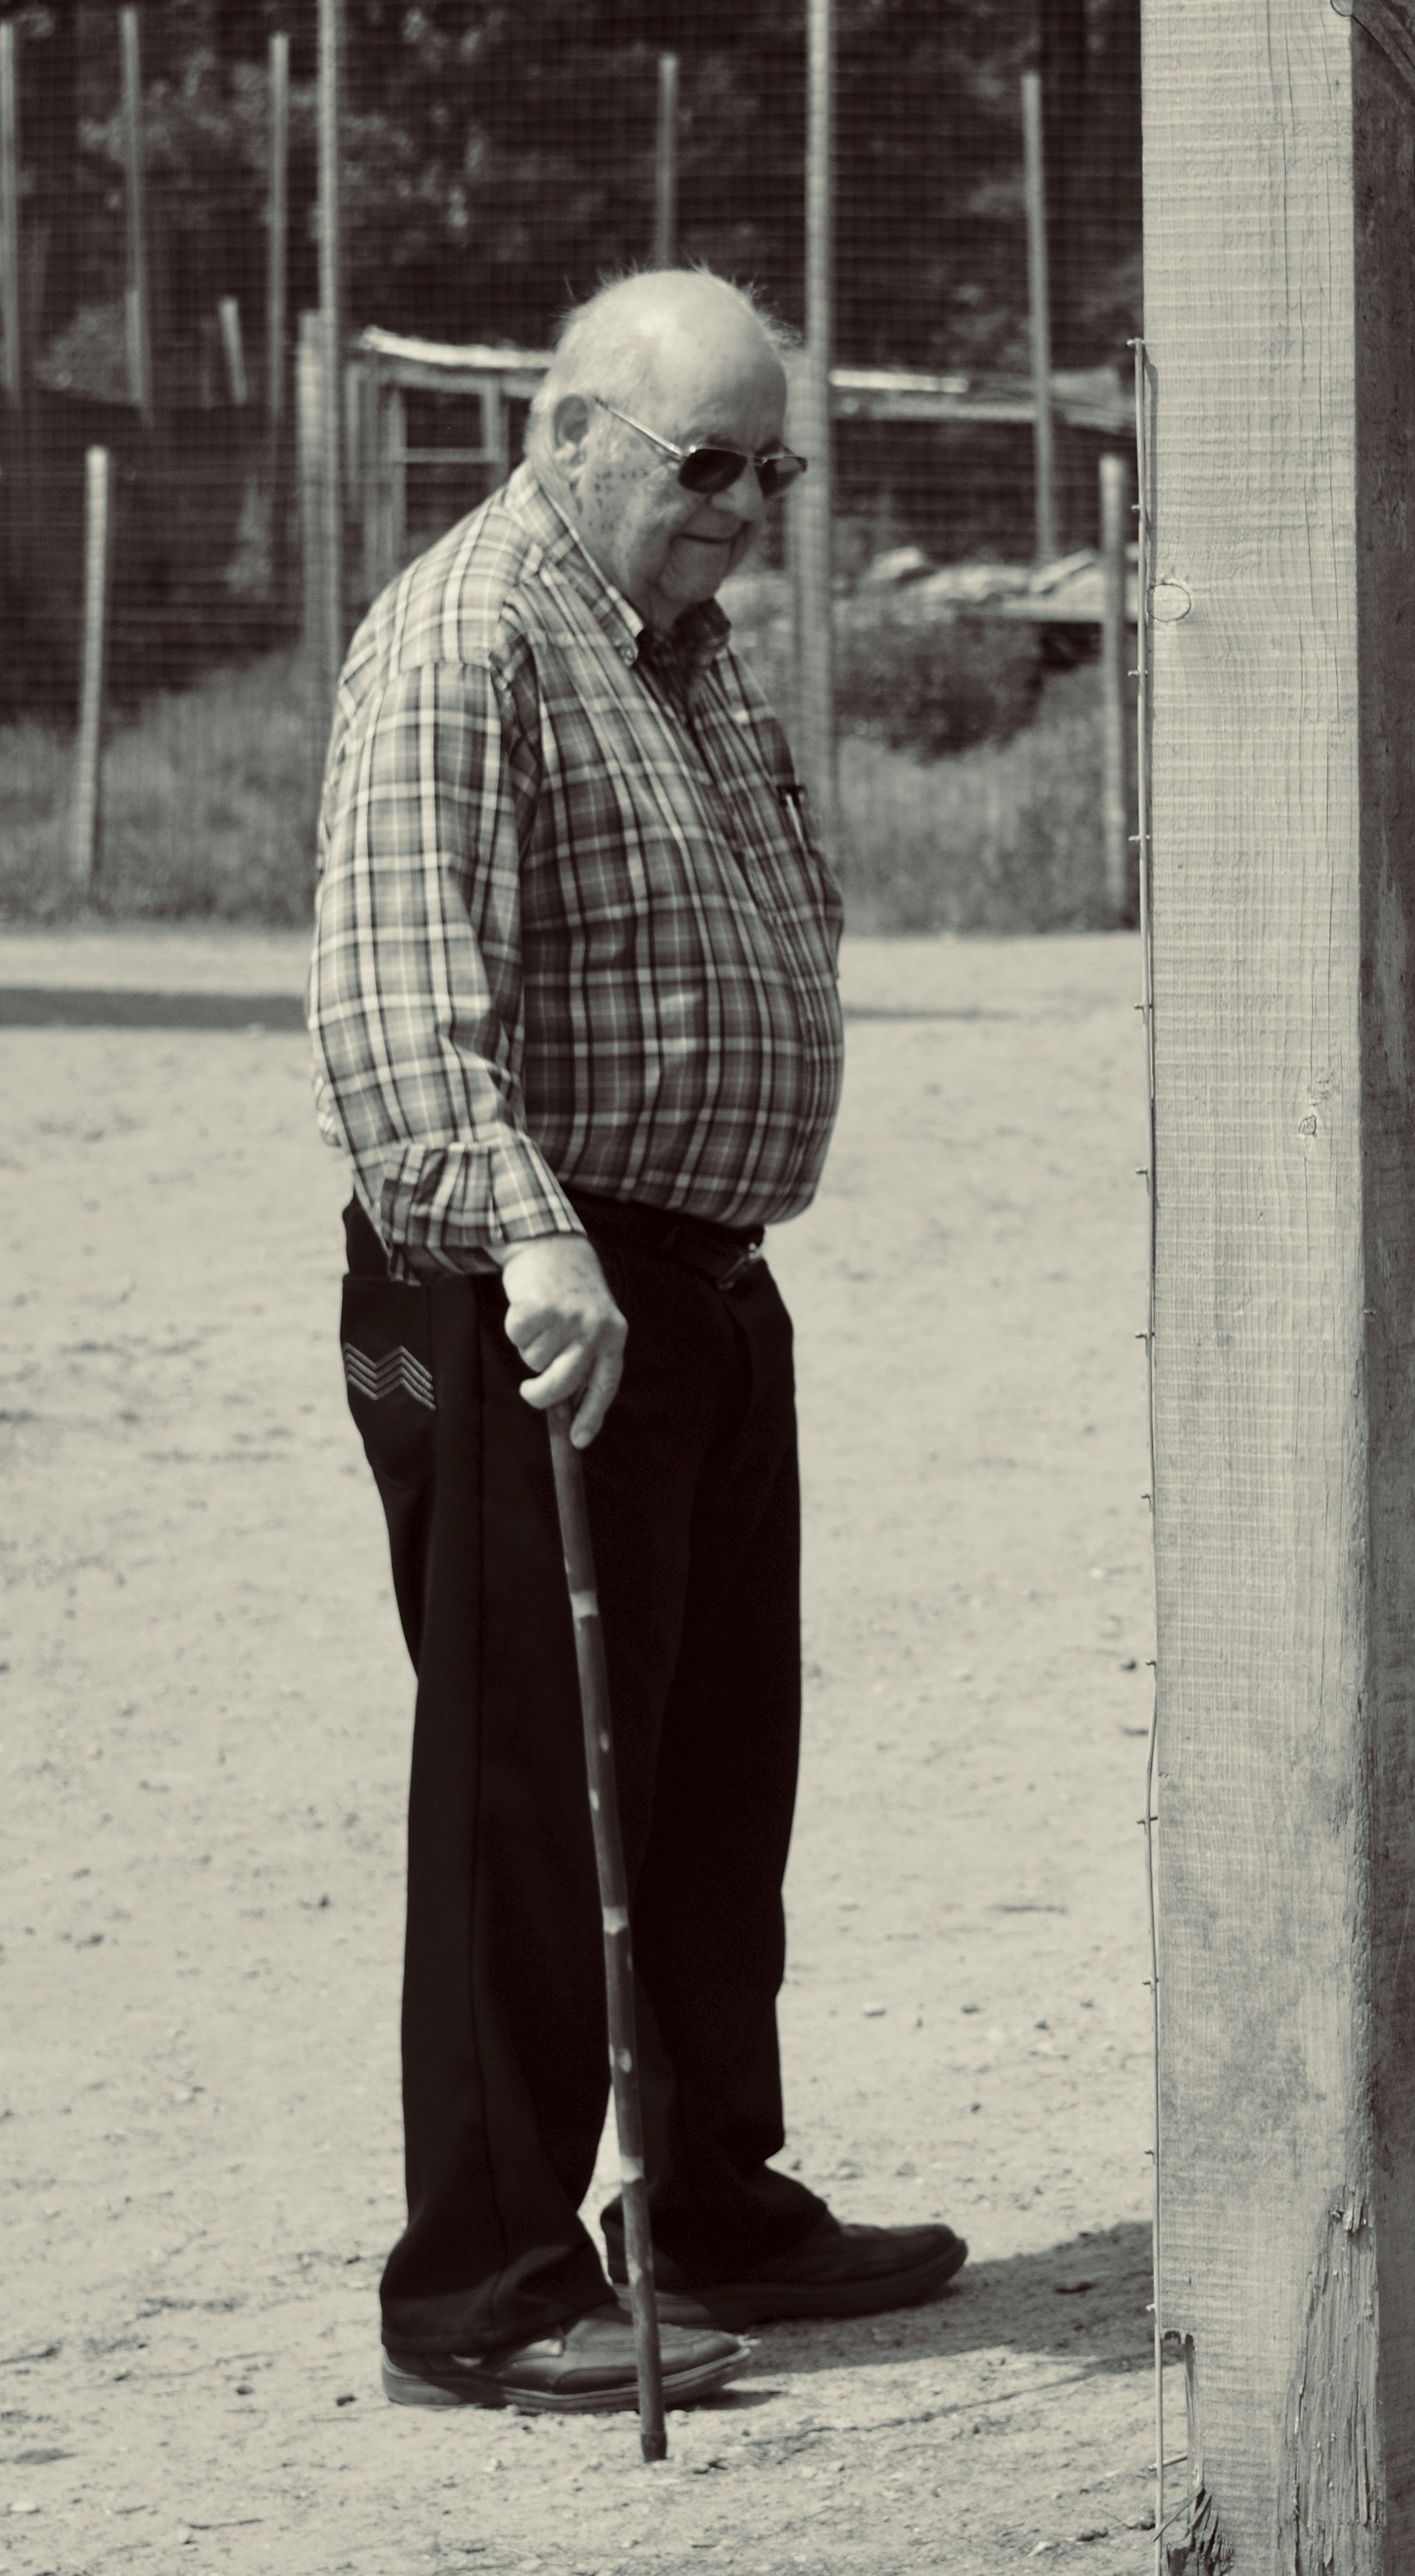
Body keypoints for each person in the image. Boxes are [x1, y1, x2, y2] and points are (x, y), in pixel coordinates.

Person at [308, 266, 963, 2414]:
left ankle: (706, 2201)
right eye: (702, 465)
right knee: (535, 1778)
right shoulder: (469, 634)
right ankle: (480, 2284)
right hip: (536, 1291)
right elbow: (403, 1006)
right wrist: (534, 1240)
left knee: (704, 1767)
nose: (739, 507)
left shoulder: (673, 643)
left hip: (691, 1272)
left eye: (769, 468)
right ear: (571, 430)